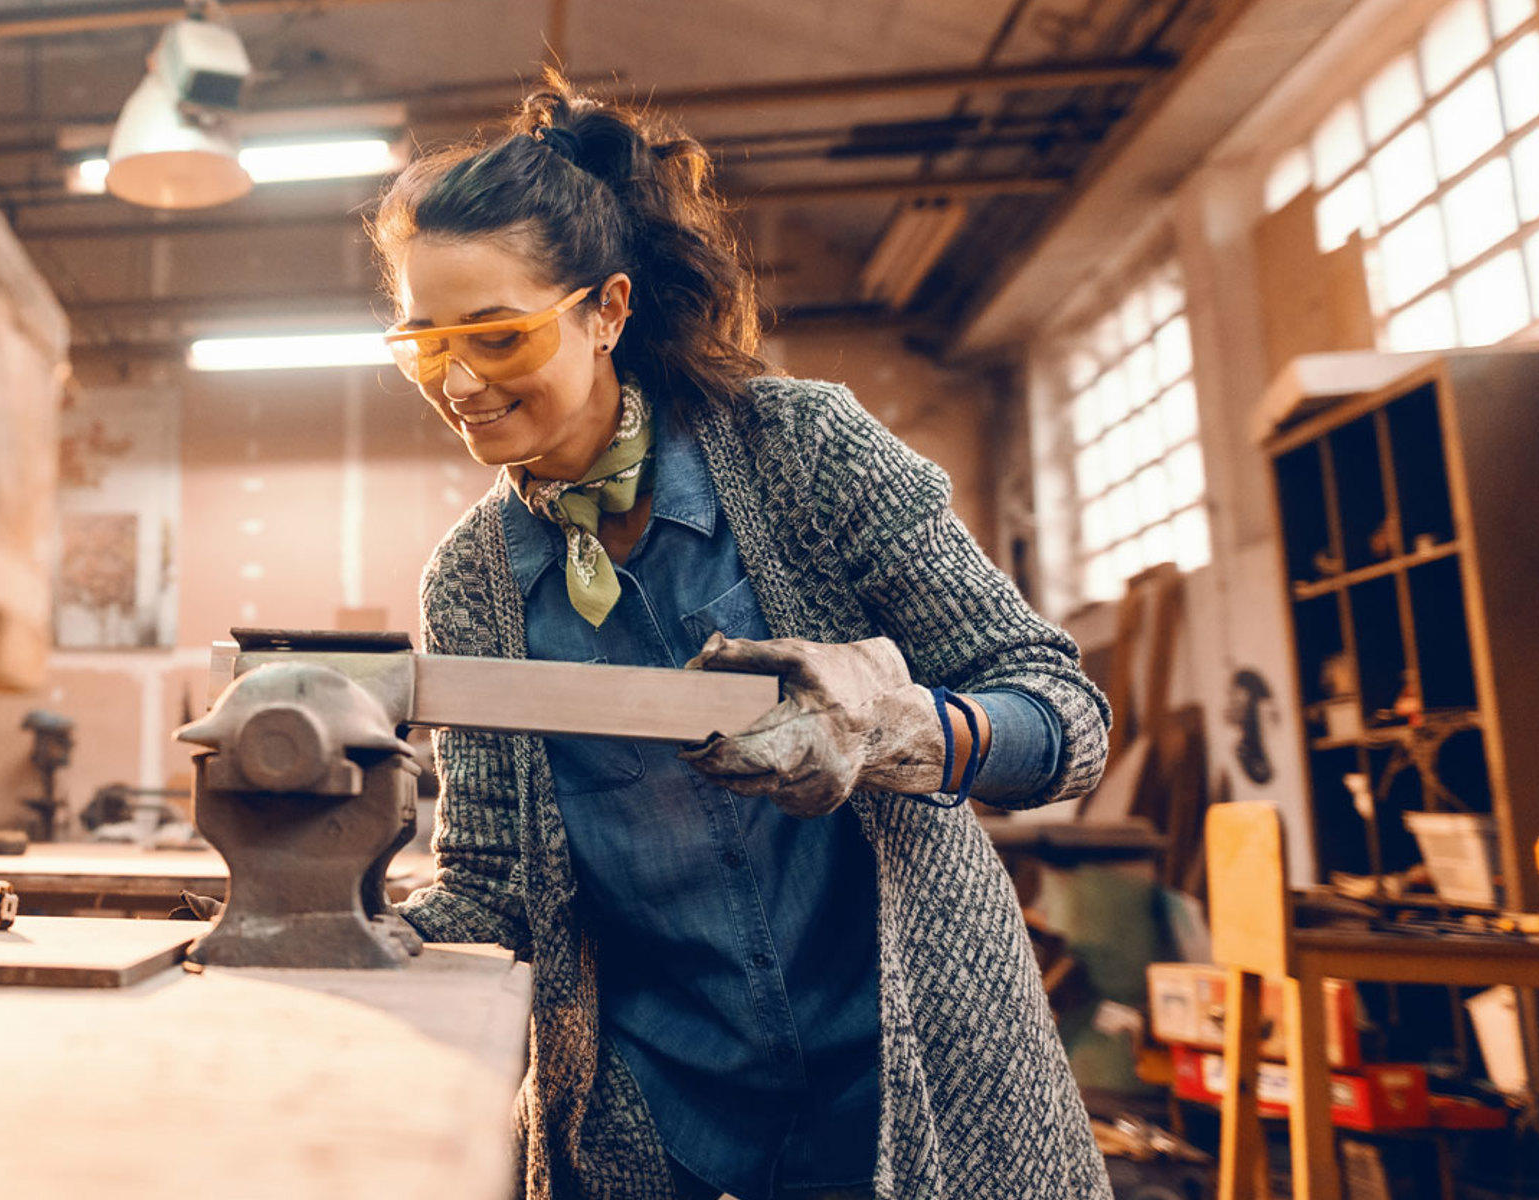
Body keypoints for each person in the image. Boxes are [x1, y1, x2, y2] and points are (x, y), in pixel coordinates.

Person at [380, 74, 1112, 1200]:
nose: (461, 383)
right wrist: (338, 929)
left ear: (607, 310)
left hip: (906, 1086)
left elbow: (1065, 718)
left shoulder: (803, 454)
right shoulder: (473, 583)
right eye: (424, 345)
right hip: (660, 1121)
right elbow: (492, 883)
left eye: (499, 336)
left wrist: (904, 729)